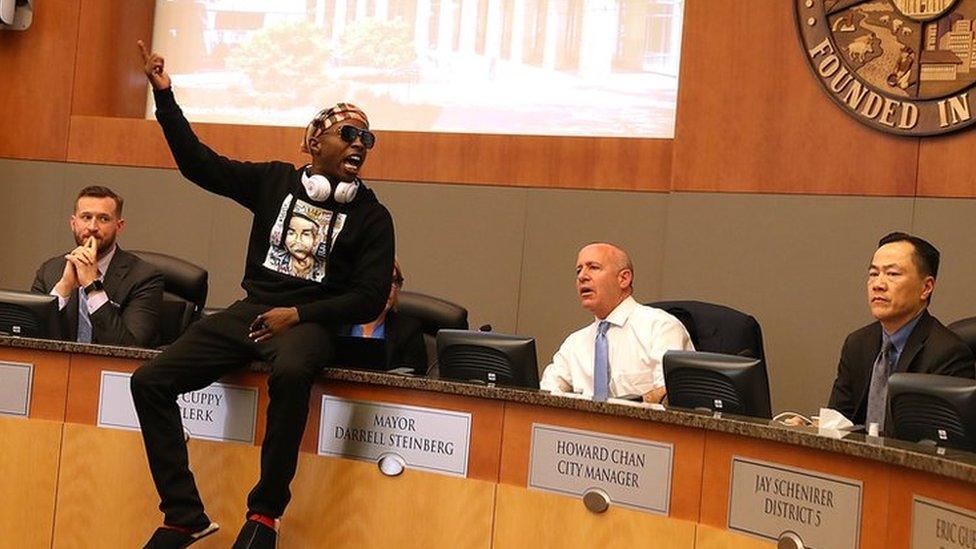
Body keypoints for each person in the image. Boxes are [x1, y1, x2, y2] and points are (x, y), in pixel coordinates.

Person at [130, 41, 394, 549]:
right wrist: (164, 96)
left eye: (369, 137)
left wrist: (299, 313)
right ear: (315, 143)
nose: (362, 143)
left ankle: (265, 515)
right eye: (350, 133)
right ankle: (183, 514)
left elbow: (369, 295)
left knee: (293, 372)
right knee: (149, 381)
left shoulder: (372, 216)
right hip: (251, 311)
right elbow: (199, 165)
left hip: (310, 323)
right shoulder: (274, 181)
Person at [827, 232, 974, 432]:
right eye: (873, 274)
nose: (878, 284)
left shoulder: (948, 354)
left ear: (926, 287)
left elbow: (941, 443)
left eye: (893, 274)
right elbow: (838, 420)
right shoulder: (857, 344)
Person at [540, 243, 694, 403]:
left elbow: (671, 396)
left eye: (593, 267)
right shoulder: (574, 343)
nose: (582, 276)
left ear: (624, 278)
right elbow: (544, 394)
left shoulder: (661, 327)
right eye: (578, 270)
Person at [31, 185, 163, 347]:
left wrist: (92, 286)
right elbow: (30, 338)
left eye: (103, 219)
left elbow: (130, 348)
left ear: (119, 226)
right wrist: (63, 288)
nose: (93, 227)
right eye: (86, 217)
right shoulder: (50, 271)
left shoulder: (144, 277)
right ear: (73, 223)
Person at [347, 259, 427, 372]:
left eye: (394, 281)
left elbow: (417, 381)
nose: (388, 288)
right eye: (381, 280)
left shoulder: (409, 330)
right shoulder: (336, 323)